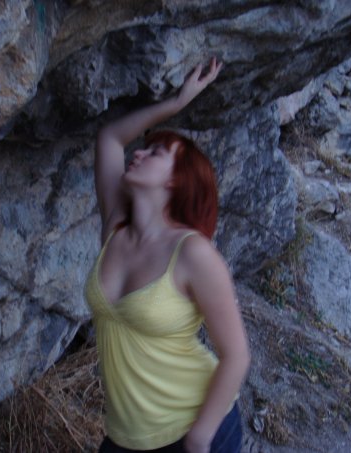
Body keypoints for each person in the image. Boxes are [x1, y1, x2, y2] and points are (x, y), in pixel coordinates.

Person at [84, 58, 251, 453]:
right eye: (144, 149)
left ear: (178, 180)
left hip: (192, 429)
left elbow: (236, 355)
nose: (139, 155)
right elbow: (110, 138)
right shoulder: (116, 226)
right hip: (125, 437)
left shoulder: (193, 253)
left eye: (156, 153)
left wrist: (200, 438)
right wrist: (177, 103)